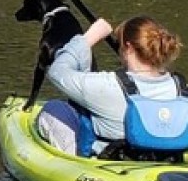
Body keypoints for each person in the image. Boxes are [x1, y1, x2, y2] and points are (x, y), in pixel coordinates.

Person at [37, 15, 186, 157]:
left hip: (112, 166)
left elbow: (57, 71)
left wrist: (86, 39)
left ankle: (71, 163)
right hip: (167, 162)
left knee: (54, 108)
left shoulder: (108, 85)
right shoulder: (181, 88)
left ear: (128, 48)